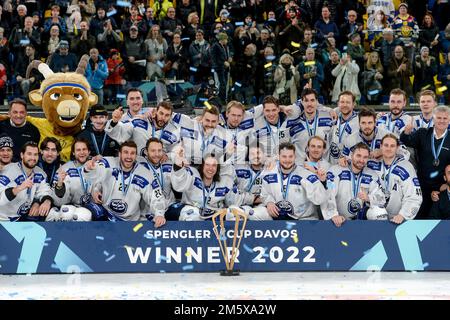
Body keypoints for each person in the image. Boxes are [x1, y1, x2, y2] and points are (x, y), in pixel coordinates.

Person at [83, 140, 166, 226]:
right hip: (107, 214)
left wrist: (159, 214)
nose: (129, 156)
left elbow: (157, 196)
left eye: (132, 153)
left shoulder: (145, 174)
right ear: (119, 154)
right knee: (87, 212)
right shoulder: (108, 163)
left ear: (136, 156)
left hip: (130, 222)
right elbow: (93, 174)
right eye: (126, 152)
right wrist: (89, 169)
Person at [400, 105, 450, 219]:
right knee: (419, 218)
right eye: (439, 118)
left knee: (437, 220)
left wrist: (446, 186)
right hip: (421, 185)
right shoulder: (423, 133)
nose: (441, 121)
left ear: (449, 120)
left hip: (441, 187)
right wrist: (406, 132)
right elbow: (407, 142)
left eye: (445, 118)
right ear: (433, 118)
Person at [258, 142, 328, 220]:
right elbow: (264, 194)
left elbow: (320, 199)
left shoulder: (306, 175)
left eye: (290, 156)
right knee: (255, 214)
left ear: (295, 157)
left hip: (303, 219)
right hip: (277, 216)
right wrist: (269, 202)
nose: (287, 160)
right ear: (278, 156)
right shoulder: (269, 174)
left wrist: (321, 181)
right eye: (284, 156)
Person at [324, 142, 386, 227]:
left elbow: (382, 198)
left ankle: (374, 236)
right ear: (352, 155)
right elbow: (328, 194)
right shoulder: (335, 171)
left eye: (365, 157)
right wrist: (333, 215)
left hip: (361, 220)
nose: (361, 160)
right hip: (339, 220)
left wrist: (369, 198)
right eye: (358, 156)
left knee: (380, 212)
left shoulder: (372, 175)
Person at [171, 148, 242, 221]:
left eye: (214, 165)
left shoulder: (225, 182)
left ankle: (225, 232)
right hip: (194, 214)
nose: (210, 168)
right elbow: (178, 185)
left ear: (217, 168)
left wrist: (252, 199)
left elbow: (237, 201)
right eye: (207, 165)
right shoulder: (193, 174)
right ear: (202, 166)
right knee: (192, 214)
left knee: (236, 212)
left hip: (216, 216)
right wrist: (178, 166)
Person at [367, 134, 422, 224]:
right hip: (375, 213)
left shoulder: (406, 167)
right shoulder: (372, 165)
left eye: (392, 146)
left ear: (397, 148)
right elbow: (356, 164)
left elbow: (414, 196)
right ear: (381, 147)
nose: (388, 149)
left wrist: (403, 215)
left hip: (398, 217)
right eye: (386, 145)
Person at [0, 142, 53, 221]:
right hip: (2, 218)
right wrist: (18, 188)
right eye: (29, 154)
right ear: (22, 155)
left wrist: (46, 201)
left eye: (35, 154)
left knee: (53, 213)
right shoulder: (8, 170)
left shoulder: (40, 173)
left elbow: (45, 191)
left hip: (20, 218)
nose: (32, 158)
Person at [106, 101, 182, 157]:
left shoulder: (173, 132)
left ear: (170, 116)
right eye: (161, 113)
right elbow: (120, 132)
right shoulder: (138, 123)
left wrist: (168, 156)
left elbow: (177, 151)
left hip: (159, 170)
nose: (163, 118)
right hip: (137, 167)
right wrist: (115, 121)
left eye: (167, 115)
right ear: (156, 112)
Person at [139, 138, 179, 220]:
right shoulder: (138, 166)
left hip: (169, 207)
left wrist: (171, 156)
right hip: (147, 212)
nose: (157, 154)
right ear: (146, 152)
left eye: (159, 150)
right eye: (153, 151)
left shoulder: (169, 164)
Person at [290, 88, 333, 162]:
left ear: (317, 102)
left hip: (323, 168)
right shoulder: (293, 122)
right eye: (306, 101)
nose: (309, 104)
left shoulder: (328, 118)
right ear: (302, 102)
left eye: (312, 100)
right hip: (301, 169)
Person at [234, 145, 267, 219]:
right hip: (242, 204)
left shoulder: (271, 170)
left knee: (254, 214)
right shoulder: (238, 168)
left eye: (258, 153)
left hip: (262, 207)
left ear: (264, 155)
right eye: (252, 154)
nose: (256, 156)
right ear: (247, 156)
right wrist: (254, 199)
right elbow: (232, 194)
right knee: (232, 212)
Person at [328, 91, 359, 164]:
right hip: (332, 165)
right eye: (342, 102)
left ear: (354, 104)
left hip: (350, 166)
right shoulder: (333, 117)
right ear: (338, 104)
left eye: (348, 102)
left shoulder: (359, 122)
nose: (345, 105)